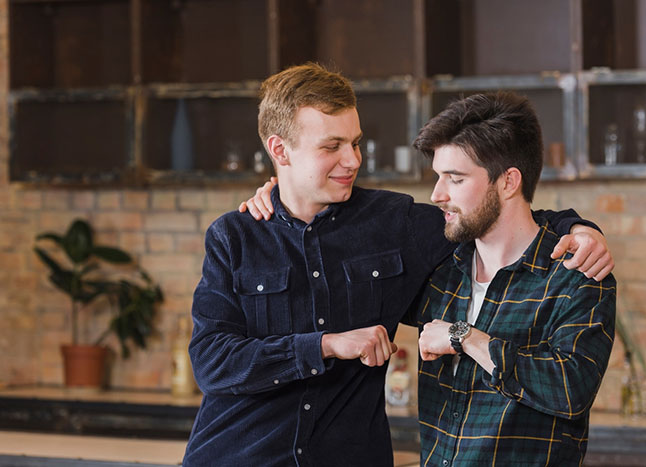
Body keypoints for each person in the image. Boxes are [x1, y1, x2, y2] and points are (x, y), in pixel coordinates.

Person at [184, 63, 613, 467]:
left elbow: (496, 214)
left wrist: (577, 227)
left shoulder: (395, 223)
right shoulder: (235, 236)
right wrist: (326, 344)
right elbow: (211, 361)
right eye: (331, 146)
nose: (353, 160)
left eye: (354, 142)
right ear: (280, 150)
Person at [412, 91, 616, 466]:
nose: (437, 194)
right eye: (438, 177)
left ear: (508, 182)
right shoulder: (439, 268)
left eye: (455, 179)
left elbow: (570, 390)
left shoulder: (575, 274)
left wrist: (466, 338)